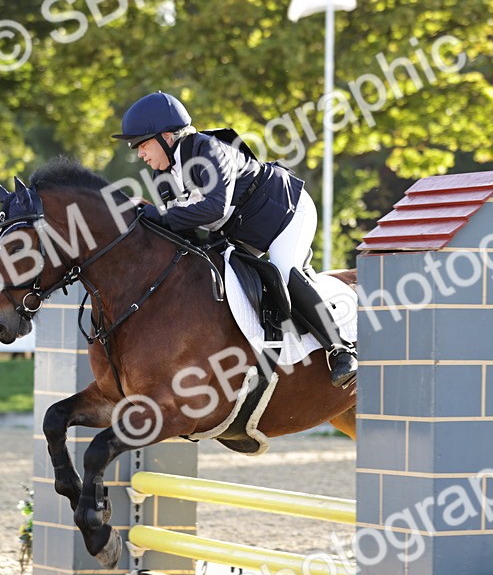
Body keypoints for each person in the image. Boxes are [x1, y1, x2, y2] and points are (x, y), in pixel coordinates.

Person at [112, 91, 357, 389]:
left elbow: (214, 208)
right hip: (242, 229)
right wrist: (144, 217)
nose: (140, 154)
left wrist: (157, 216)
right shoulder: (161, 176)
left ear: (166, 137)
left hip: (285, 211)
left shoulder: (207, 151)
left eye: (142, 144)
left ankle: (341, 349)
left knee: (284, 270)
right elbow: (181, 229)